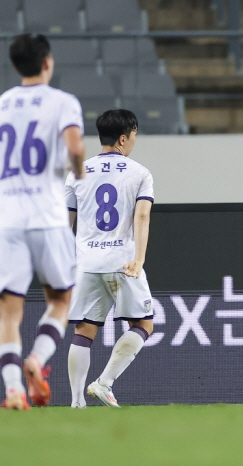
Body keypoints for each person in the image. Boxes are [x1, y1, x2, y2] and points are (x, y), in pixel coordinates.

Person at [0, 33, 85, 410]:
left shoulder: (2, 104)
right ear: (47, 62)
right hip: (48, 216)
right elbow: (74, 147)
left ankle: (14, 388)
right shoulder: (63, 102)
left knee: (8, 311)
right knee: (61, 299)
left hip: (8, 219)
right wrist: (78, 171)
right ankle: (36, 359)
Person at [64, 109, 154, 408]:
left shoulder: (77, 171)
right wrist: (139, 258)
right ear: (123, 137)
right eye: (135, 135)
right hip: (123, 261)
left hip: (87, 263)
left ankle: (77, 402)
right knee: (143, 324)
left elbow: (66, 223)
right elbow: (142, 215)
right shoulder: (140, 173)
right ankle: (104, 383)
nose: (134, 142)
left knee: (84, 330)